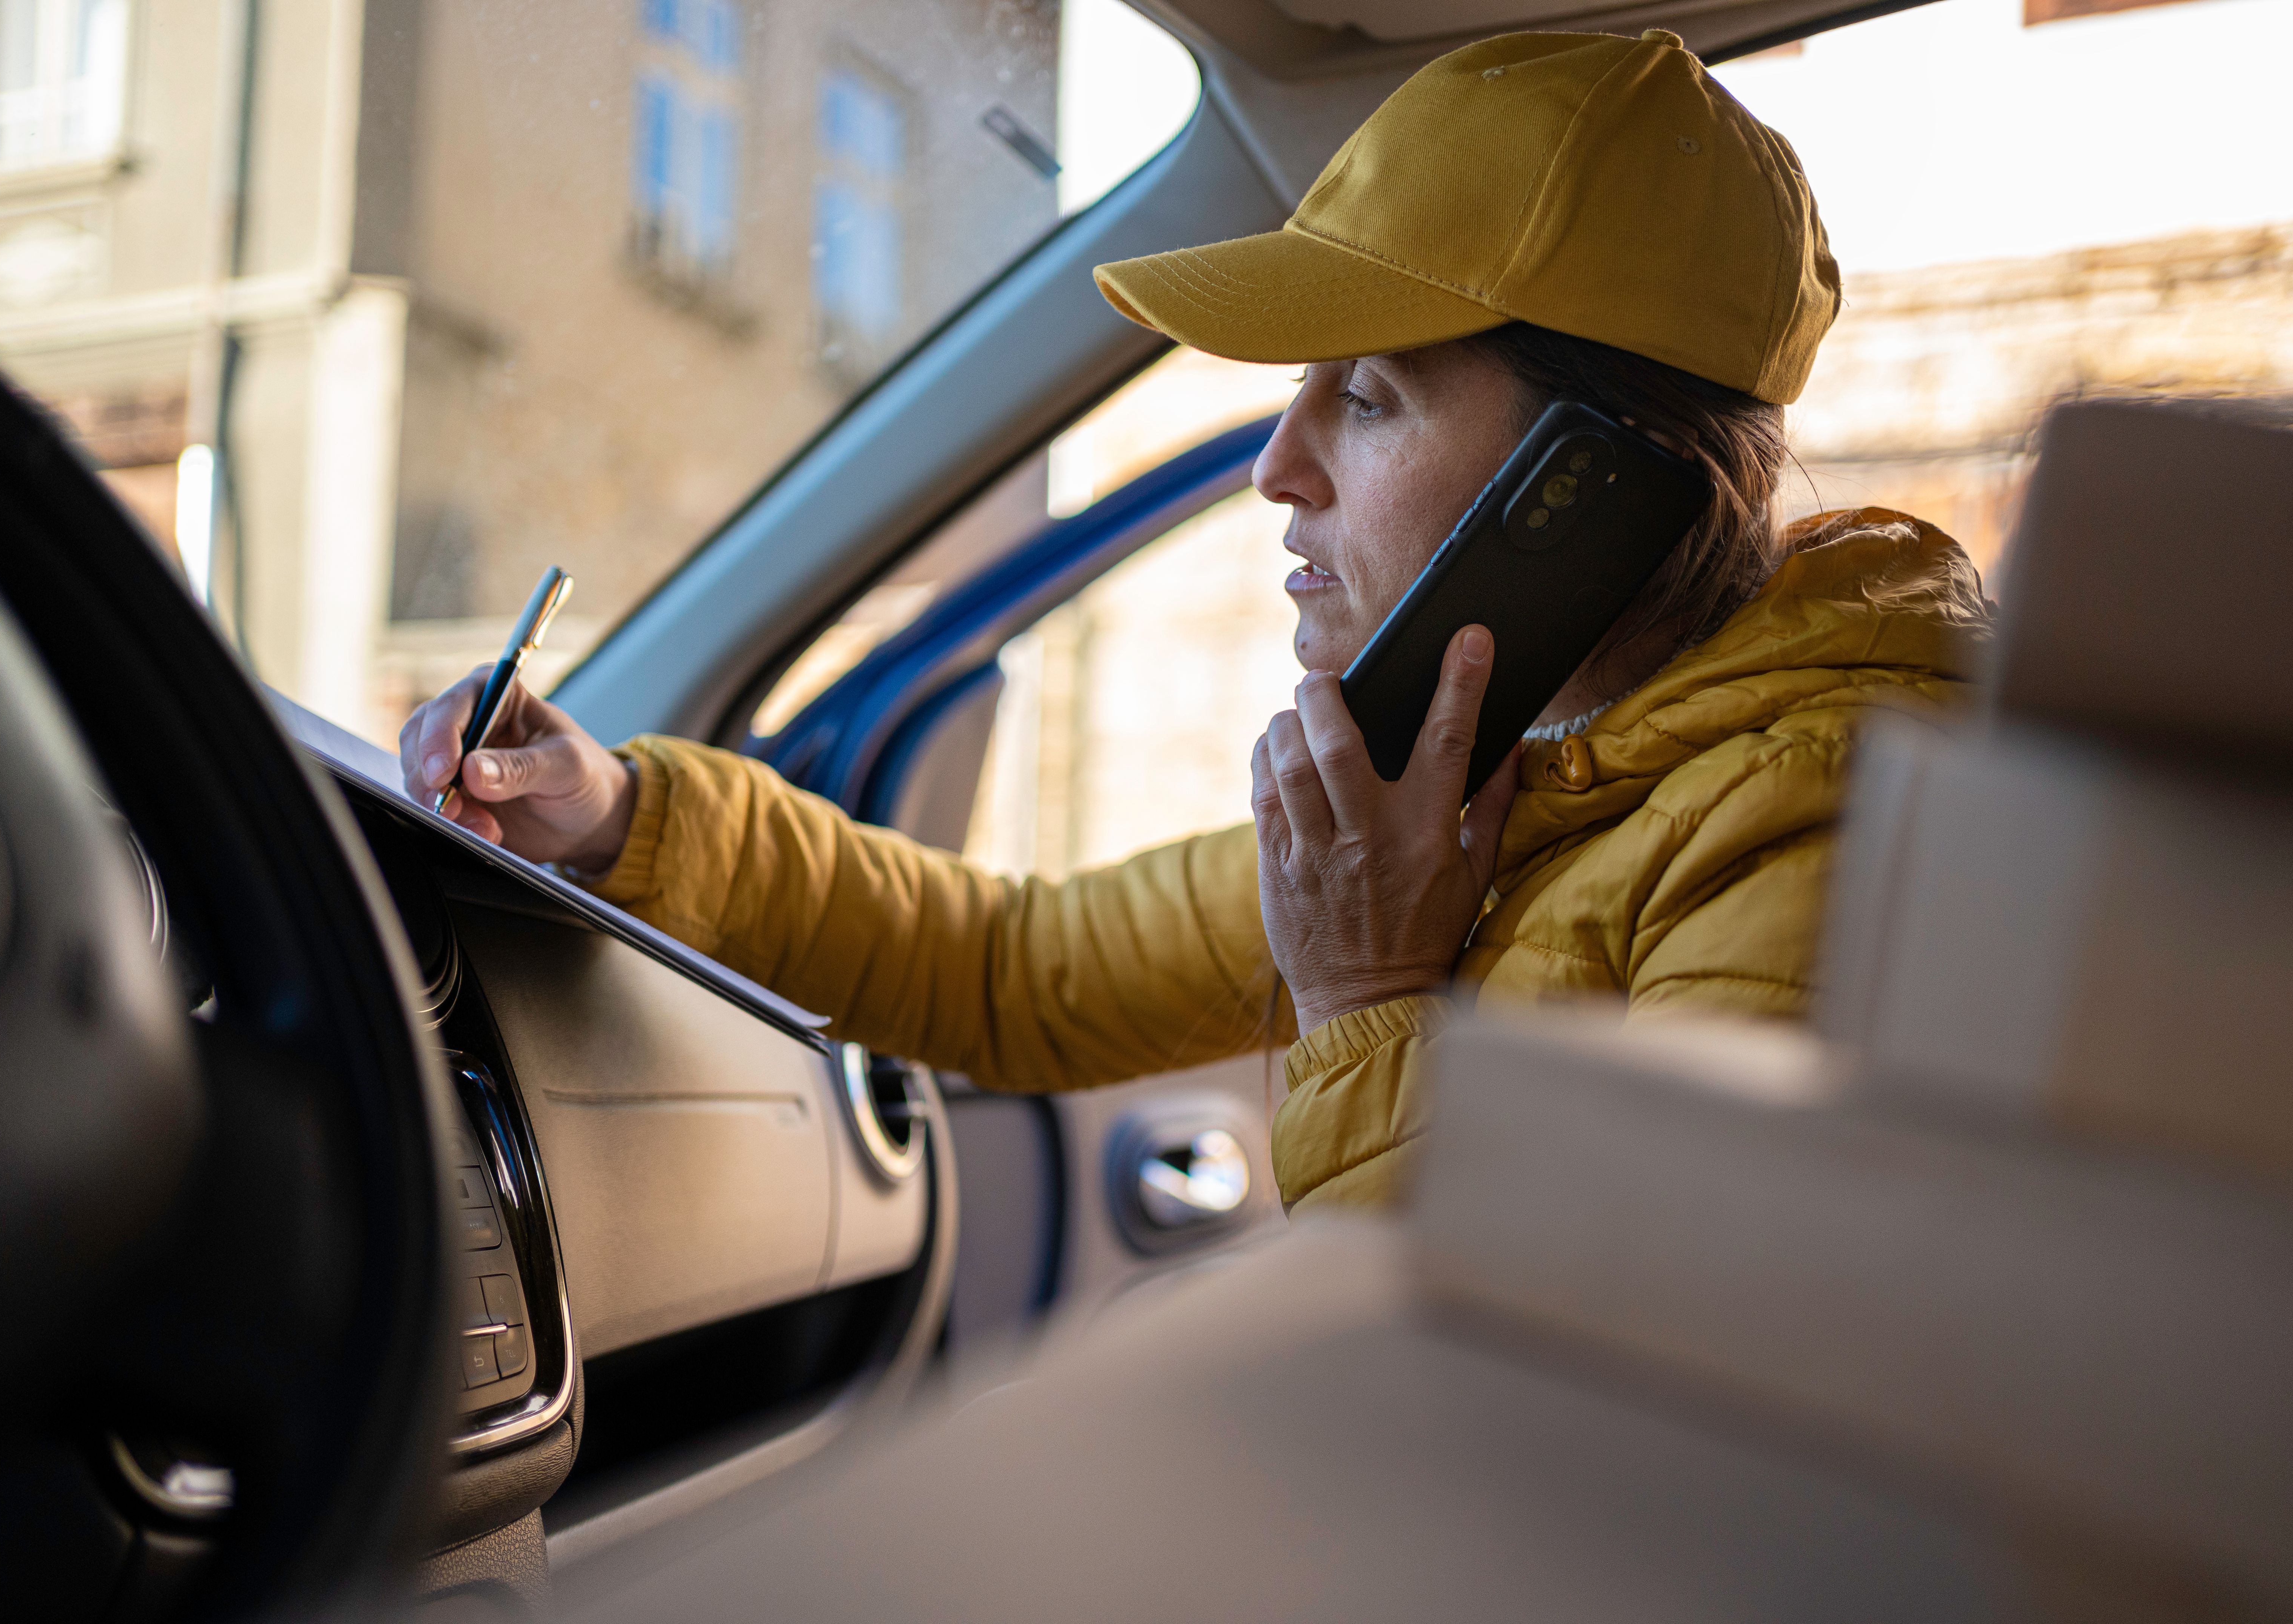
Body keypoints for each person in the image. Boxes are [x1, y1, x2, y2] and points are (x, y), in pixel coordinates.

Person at [400, 29, 1988, 1213]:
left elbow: (1584, 1443)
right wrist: (619, 817)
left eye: (1365, 396)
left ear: (1584, 483)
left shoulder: (1814, 829)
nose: (1278, 468)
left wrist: (1367, 999)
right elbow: (1019, 971)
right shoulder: (1466, 778)